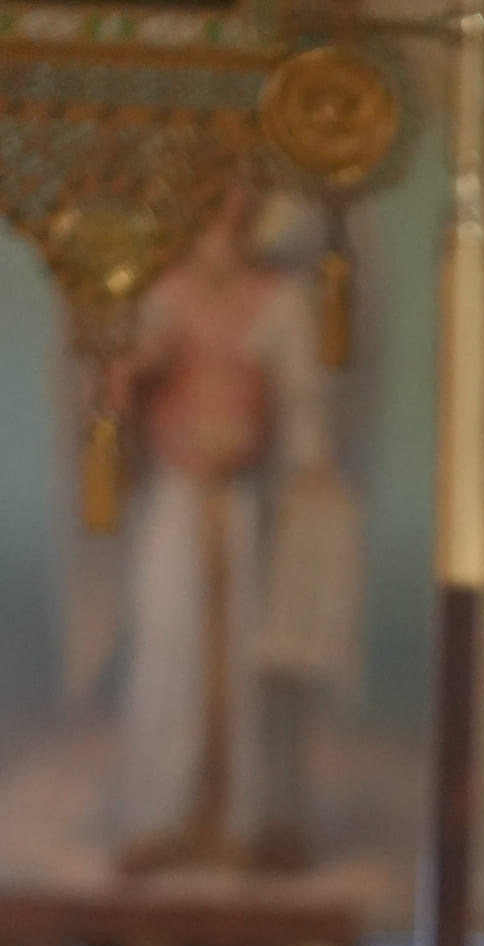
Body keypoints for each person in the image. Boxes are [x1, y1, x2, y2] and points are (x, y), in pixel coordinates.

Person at [105, 189, 356, 874]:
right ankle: (159, 814)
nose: (223, 218)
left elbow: (302, 401)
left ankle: (246, 817)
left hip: (247, 502)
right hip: (176, 499)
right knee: (169, 647)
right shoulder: (161, 295)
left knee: (254, 657)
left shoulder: (277, 301)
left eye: (233, 203)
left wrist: (310, 469)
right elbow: (121, 387)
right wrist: (138, 372)